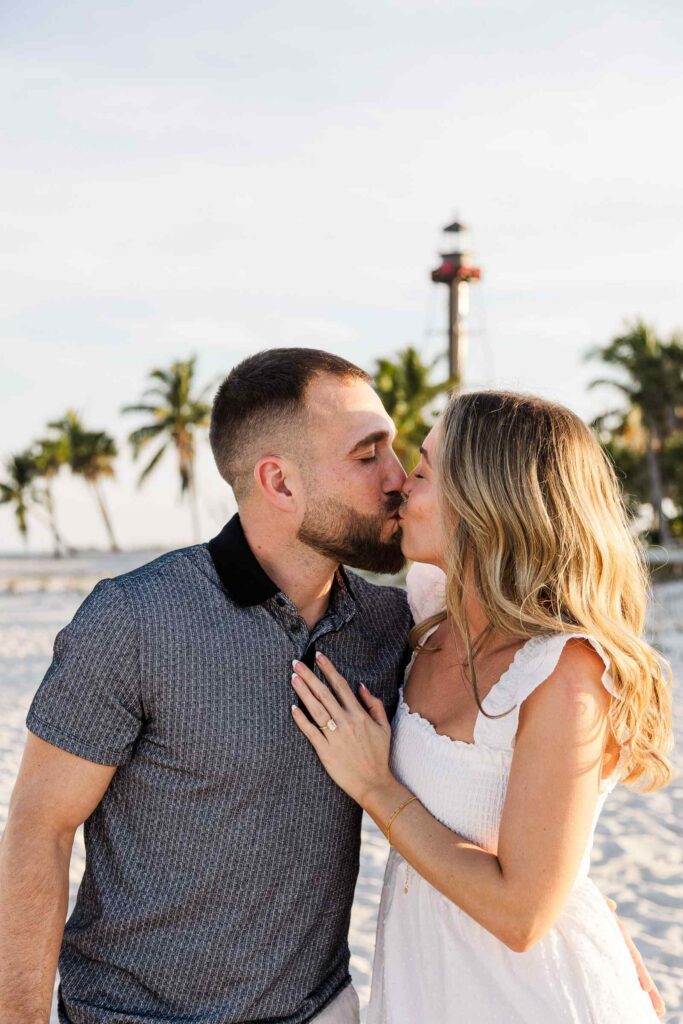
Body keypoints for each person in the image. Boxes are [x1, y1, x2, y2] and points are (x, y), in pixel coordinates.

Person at [0, 349, 412, 1024]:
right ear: (278, 483)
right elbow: (40, 829)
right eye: (368, 456)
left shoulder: (389, 625)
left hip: (321, 1011)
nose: (398, 478)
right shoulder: (135, 618)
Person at [290, 389, 672, 1023]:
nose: (402, 486)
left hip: (528, 998)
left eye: (425, 470)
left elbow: (523, 914)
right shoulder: (429, 611)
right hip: (427, 979)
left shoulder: (565, 671)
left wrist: (377, 789)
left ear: (486, 504)